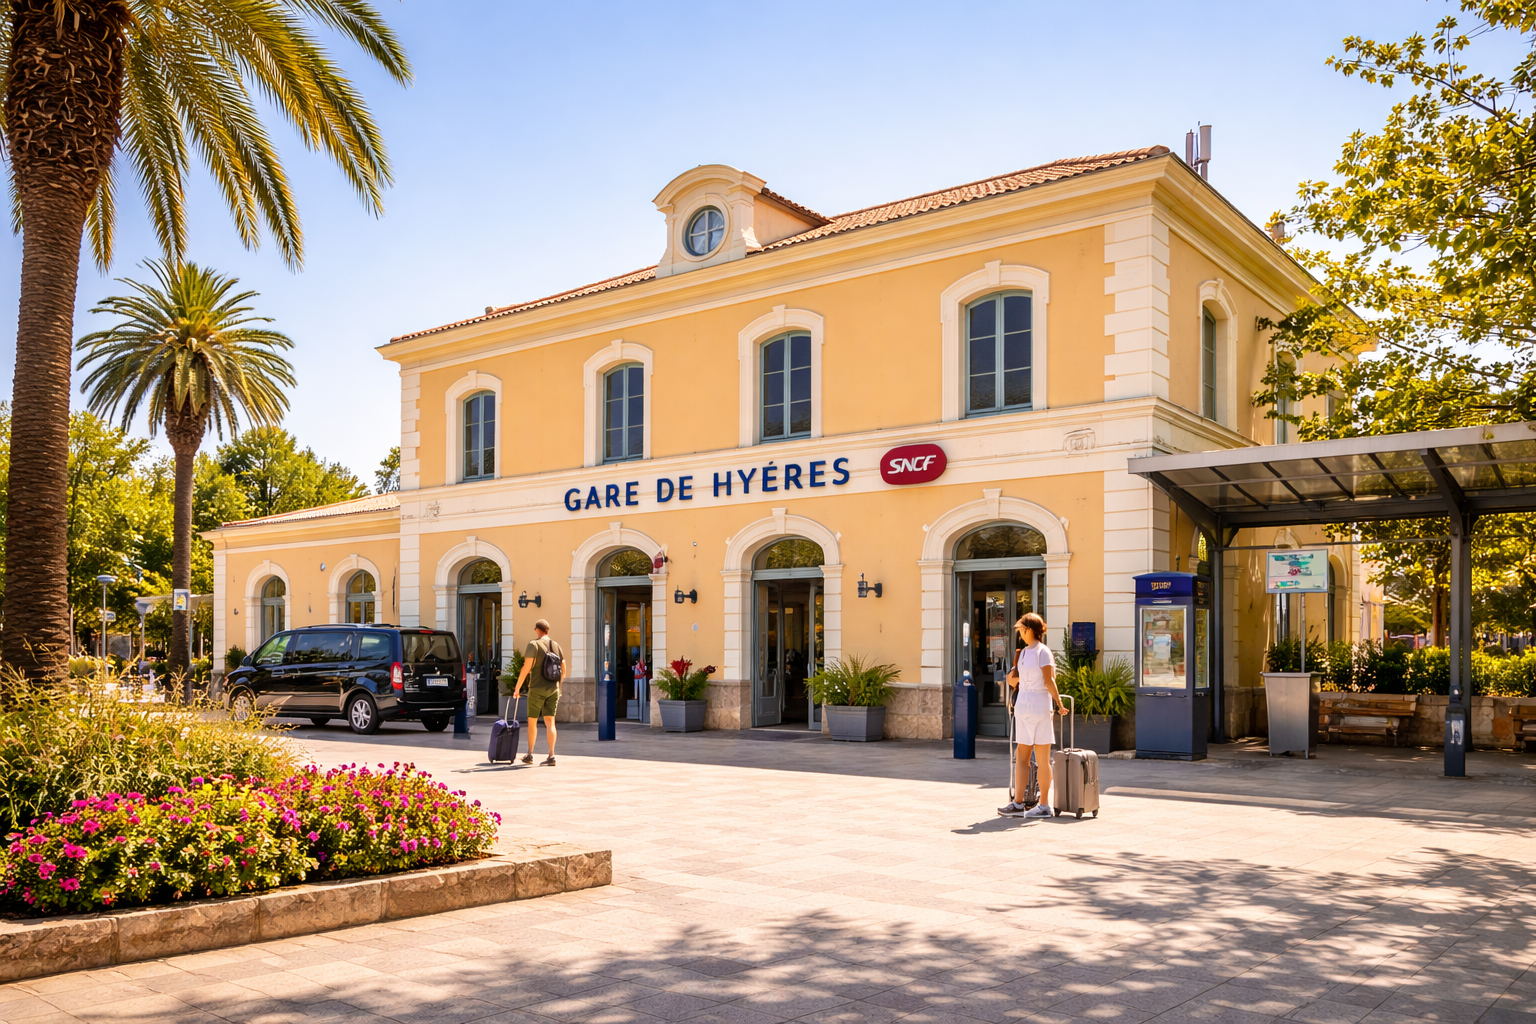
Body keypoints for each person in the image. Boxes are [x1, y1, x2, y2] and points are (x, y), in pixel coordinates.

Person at [998, 612, 1069, 819]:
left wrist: (1058, 702)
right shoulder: (1041, 652)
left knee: (1023, 757)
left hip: (1026, 706)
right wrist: (1059, 703)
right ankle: (1041, 804)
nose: (1020, 633)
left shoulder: (1028, 653)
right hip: (1038, 706)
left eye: (1021, 629)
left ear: (1029, 630)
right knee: (1040, 758)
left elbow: (1021, 680)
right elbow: (1048, 681)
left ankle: (1020, 803)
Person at [510, 619, 566, 766]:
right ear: (547, 630)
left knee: (532, 722)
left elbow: (526, 668)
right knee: (550, 722)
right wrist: (558, 686)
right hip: (553, 689)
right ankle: (551, 755)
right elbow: (563, 669)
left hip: (536, 689)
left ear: (537, 630)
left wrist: (517, 688)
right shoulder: (556, 645)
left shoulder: (533, 645)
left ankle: (529, 754)